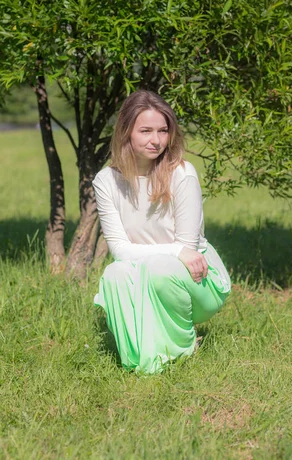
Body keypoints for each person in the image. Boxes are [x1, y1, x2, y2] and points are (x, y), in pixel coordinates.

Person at [93, 90, 231, 374]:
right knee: (114, 275)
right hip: (151, 267)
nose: (156, 140)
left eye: (163, 131)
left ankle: (183, 348)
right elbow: (119, 251)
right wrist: (176, 250)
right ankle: (140, 361)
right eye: (145, 131)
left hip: (198, 278)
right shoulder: (106, 181)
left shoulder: (182, 173)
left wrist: (179, 252)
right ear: (126, 132)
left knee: (159, 269)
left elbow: (188, 249)